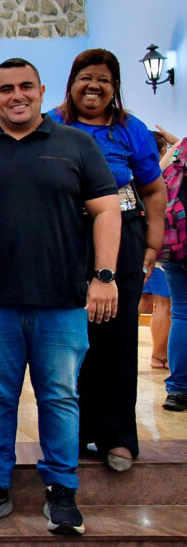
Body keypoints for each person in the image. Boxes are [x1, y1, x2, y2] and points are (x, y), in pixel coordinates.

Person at [0, 58, 120, 536]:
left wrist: (104, 275)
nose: (17, 95)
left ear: (43, 91)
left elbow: (107, 209)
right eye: (5, 89)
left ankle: (63, 493)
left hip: (63, 300)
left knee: (60, 398)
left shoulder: (77, 144)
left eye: (26, 86)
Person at [46, 49, 165, 473]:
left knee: (117, 339)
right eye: (85, 78)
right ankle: (73, 437)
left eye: (104, 80)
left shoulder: (130, 128)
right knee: (70, 341)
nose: (94, 87)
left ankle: (117, 437)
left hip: (125, 238)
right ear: (71, 82)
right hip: (68, 237)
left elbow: (153, 190)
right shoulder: (50, 123)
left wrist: (152, 247)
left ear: (115, 88)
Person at [142, 131, 172, 370]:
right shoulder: (163, 170)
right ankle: (159, 356)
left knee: (139, 302)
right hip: (162, 245)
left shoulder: (137, 170)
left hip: (139, 243)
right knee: (163, 305)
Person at [161, 134, 187, 411]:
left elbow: (155, 179)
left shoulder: (181, 147)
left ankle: (178, 390)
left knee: (181, 314)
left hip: (175, 244)